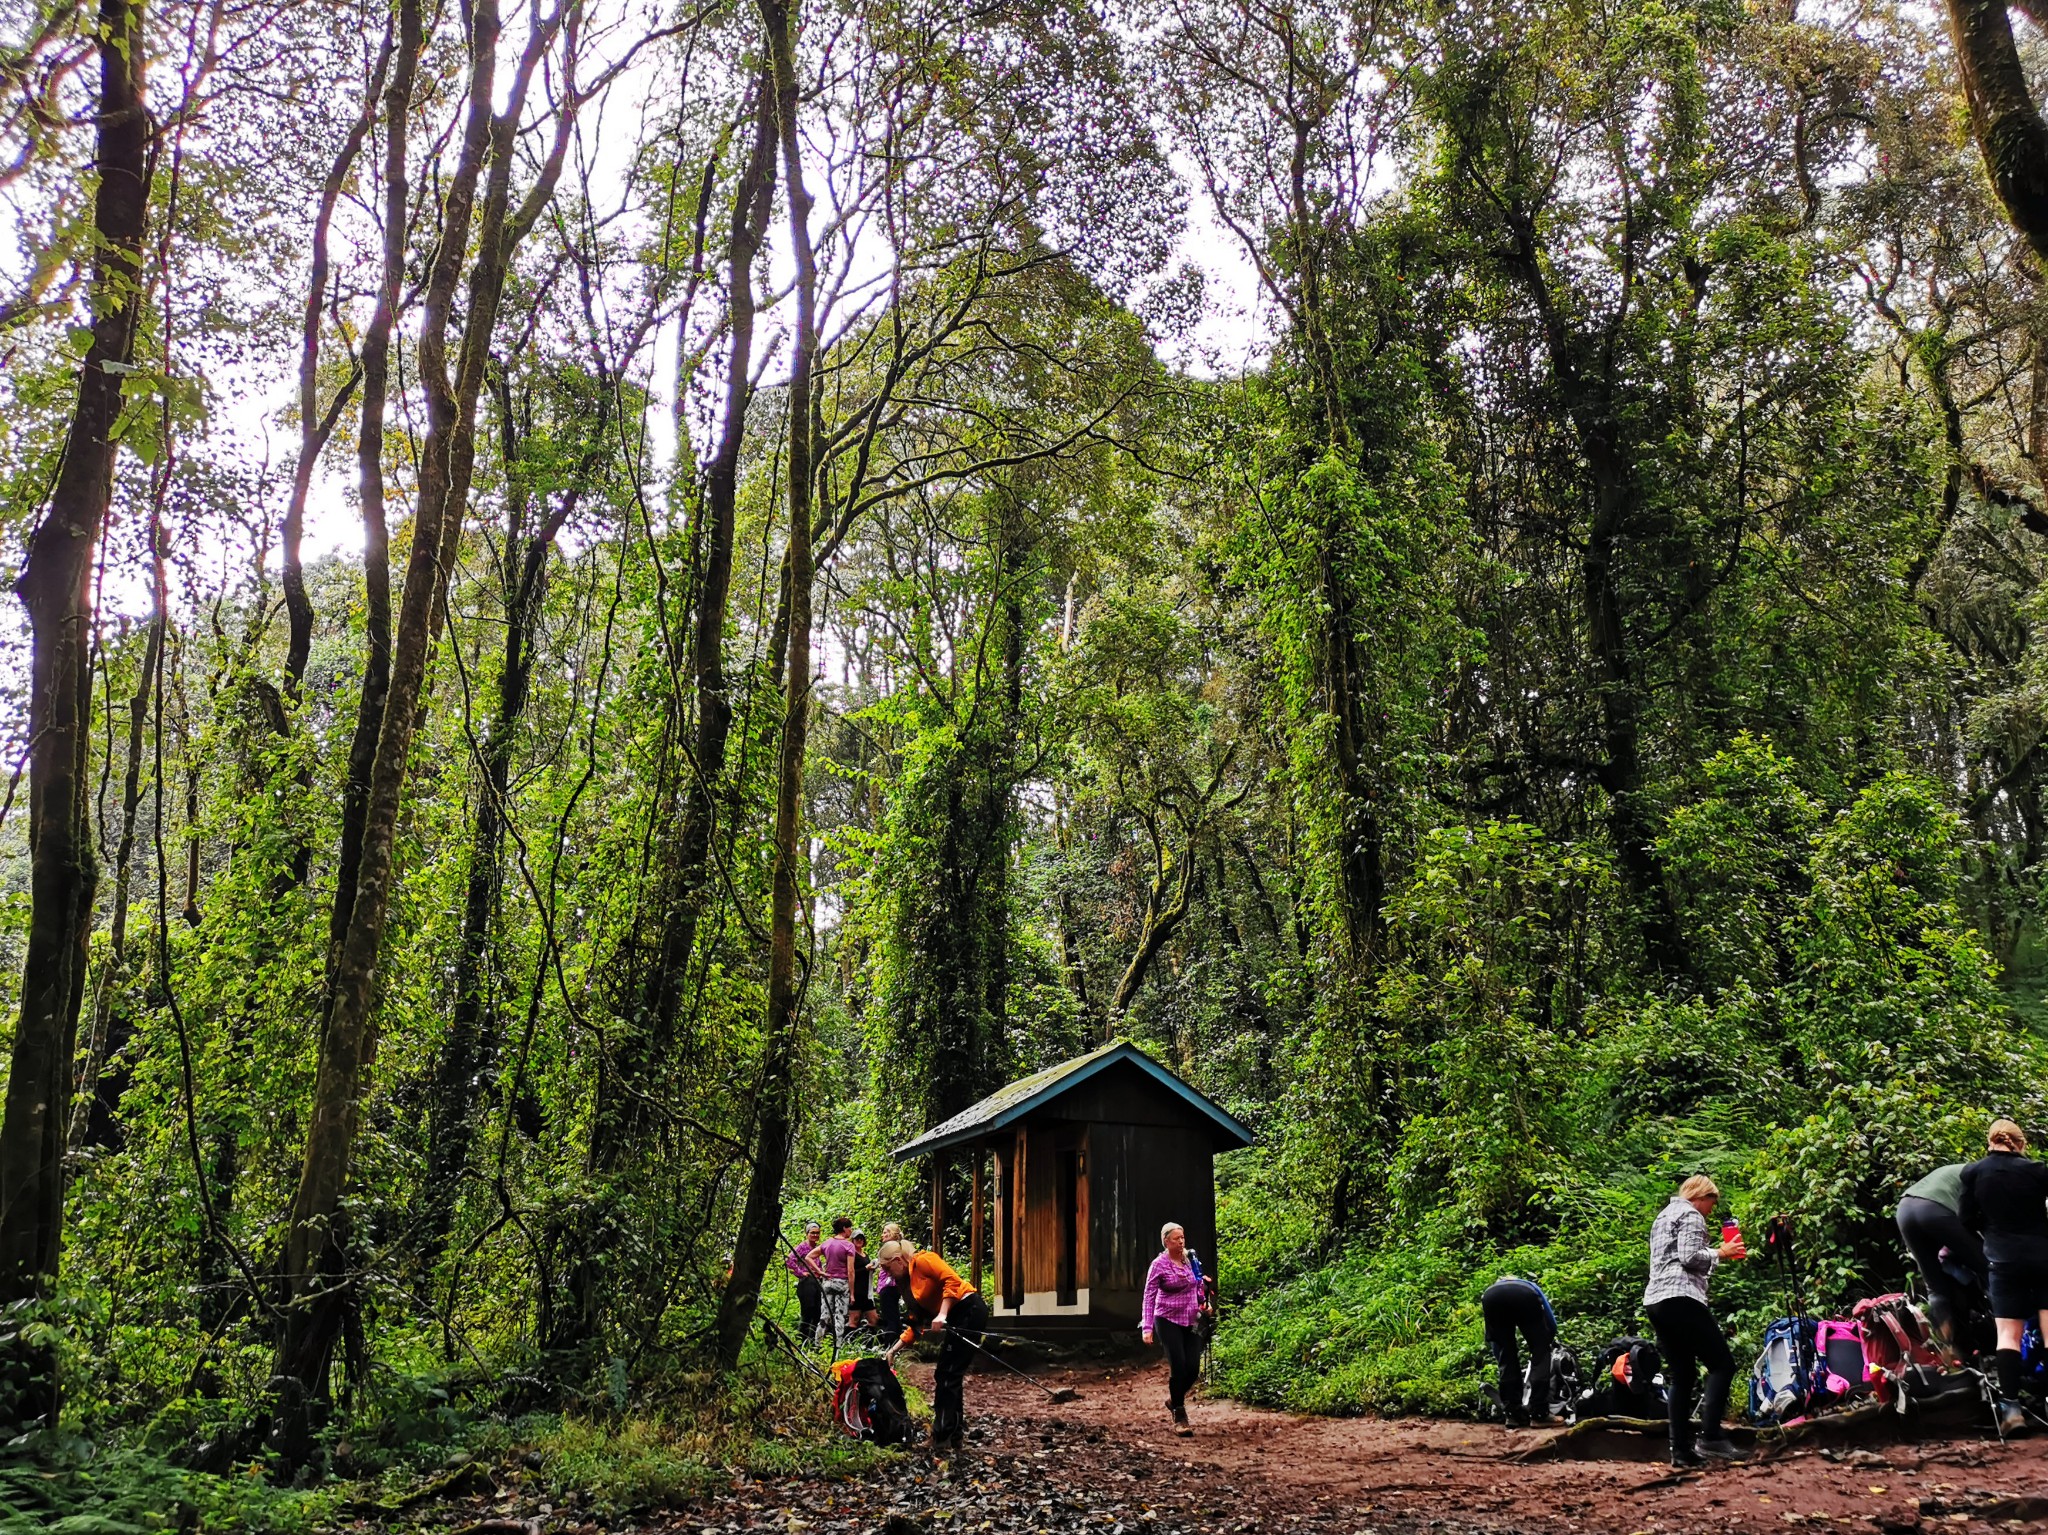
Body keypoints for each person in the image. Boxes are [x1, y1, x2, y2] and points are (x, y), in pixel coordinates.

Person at [1644, 1174, 1748, 1468]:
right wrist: (1721, 1252)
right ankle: (1711, 1437)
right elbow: (1690, 1257)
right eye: (1710, 1205)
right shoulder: (1690, 1214)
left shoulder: (1663, 1217)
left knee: (1683, 1374)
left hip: (1656, 1300)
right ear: (1701, 1197)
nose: (1710, 1212)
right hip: (1681, 1297)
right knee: (1722, 1365)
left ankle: (1681, 1451)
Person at [1959, 1120, 2048, 1434]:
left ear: (1990, 1142)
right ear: (2020, 1143)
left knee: (2008, 1335)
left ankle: (2012, 1410)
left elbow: (1965, 1221)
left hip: (2003, 1260)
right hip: (2043, 1257)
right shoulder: (2039, 1171)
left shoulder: (1973, 1172)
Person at [880, 1239, 987, 1450]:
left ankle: (942, 1437)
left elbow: (951, 1280)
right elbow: (915, 1324)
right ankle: (952, 1435)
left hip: (969, 1309)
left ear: (898, 1260)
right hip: (956, 1317)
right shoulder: (908, 1285)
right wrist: (893, 1350)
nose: (886, 1273)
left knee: (948, 1374)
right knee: (946, 1374)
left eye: (886, 1268)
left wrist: (943, 1313)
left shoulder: (924, 1261)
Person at [1897, 1160, 1988, 1352]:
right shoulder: (1988, 1175)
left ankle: (1950, 1353)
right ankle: (2013, 1341)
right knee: (1991, 1269)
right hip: (1936, 1210)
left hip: (1905, 1209)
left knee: (1936, 1288)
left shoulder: (1962, 1170)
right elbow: (1981, 1222)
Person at [1141, 1221, 1211, 1435]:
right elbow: (1149, 1295)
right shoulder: (1159, 1264)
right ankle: (1180, 1415)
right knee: (1178, 1365)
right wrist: (1147, 1326)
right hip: (1167, 1318)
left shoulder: (1190, 1259)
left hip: (1191, 1318)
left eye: (1183, 1238)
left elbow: (1198, 1283)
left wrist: (1205, 1303)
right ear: (1166, 1241)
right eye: (1176, 1239)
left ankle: (1174, 1398)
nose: (1181, 1242)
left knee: (1192, 1368)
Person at [1480, 1273, 1558, 1429]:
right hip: (1525, 1297)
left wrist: (1502, 1357)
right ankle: (1539, 1413)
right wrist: (1545, 1340)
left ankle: (1513, 1415)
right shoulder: (1528, 1285)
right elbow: (1550, 1318)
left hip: (1491, 1299)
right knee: (1540, 1353)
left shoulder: (1492, 1289)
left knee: (1506, 1355)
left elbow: (1497, 1344)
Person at [819, 1216, 856, 1349]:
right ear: (844, 1228)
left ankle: (818, 1343)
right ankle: (838, 1346)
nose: (851, 1230)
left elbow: (808, 1256)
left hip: (828, 1282)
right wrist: (852, 1293)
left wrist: (821, 1272)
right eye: (850, 1227)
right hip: (842, 1284)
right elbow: (850, 1271)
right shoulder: (848, 1245)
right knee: (840, 1316)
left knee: (825, 1314)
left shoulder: (827, 1243)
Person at [784, 1222, 825, 1344]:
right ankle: (801, 1340)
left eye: (817, 1233)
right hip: (806, 1283)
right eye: (812, 1233)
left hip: (817, 1282)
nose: (815, 1235)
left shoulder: (817, 1248)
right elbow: (789, 1261)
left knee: (817, 1312)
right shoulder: (802, 1247)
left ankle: (812, 1341)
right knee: (807, 1312)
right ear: (807, 1234)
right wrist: (801, 1273)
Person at [876, 1222, 905, 1338]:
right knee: (893, 1315)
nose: (882, 1235)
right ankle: (896, 1340)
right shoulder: (896, 1247)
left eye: (884, 1232)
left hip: (889, 1286)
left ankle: (890, 1342)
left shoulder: (893, 1248)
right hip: (892, 1286)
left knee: (889, 1317)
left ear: (891, 1234)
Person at [848, 1230, 880, 1337]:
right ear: (852, 1240)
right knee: (854, 1319)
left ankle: (867, 1341)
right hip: (856, 1290)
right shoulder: (851, 1254)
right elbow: (850, 1272)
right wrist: (865, 1269)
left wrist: (871, 1268)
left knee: (874, 1319)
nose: (859, 1240)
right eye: (857, 1238)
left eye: (861, 1238)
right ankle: (850, 1343)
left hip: (867, 1292)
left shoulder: (865, 1254)